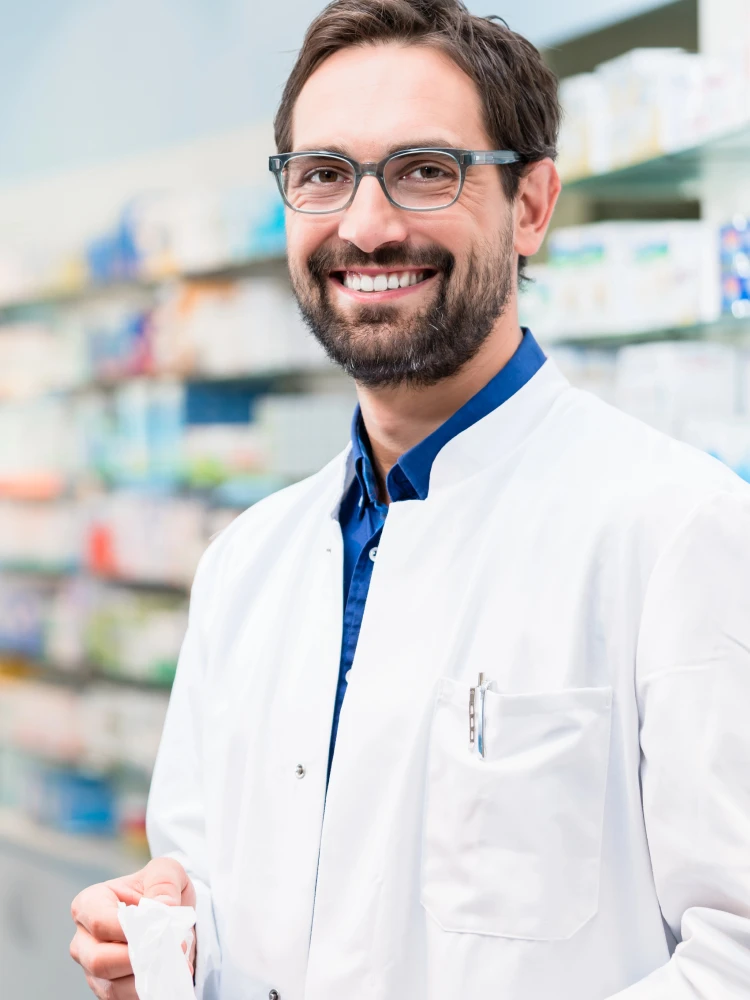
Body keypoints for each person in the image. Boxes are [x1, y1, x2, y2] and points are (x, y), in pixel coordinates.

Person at [70, 2, 750, 998]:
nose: (366, 224)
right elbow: (231, 889)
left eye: (427, 169)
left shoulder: (678, 526)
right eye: (323, 174)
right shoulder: (247, 559)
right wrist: (177, 934)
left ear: (530, 204)